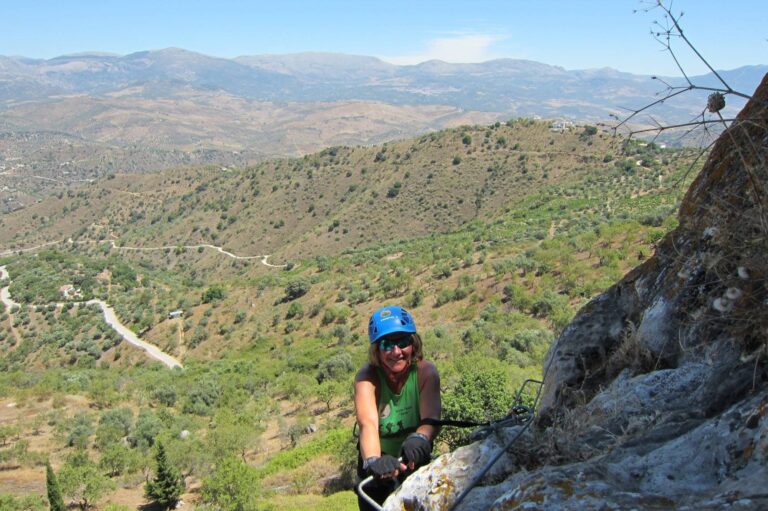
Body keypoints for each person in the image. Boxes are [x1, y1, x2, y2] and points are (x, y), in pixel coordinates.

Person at [354, 305, 441, 510]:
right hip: (378, 468)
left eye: (403, 342)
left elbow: (431, 418)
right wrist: (375, 462)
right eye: (386, 345)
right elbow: (367, 424)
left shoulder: (425, 373)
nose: (396, 352)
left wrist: (420, 438)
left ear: (413, 343)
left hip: (414, 458)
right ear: (377, 349)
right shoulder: (367, 378)